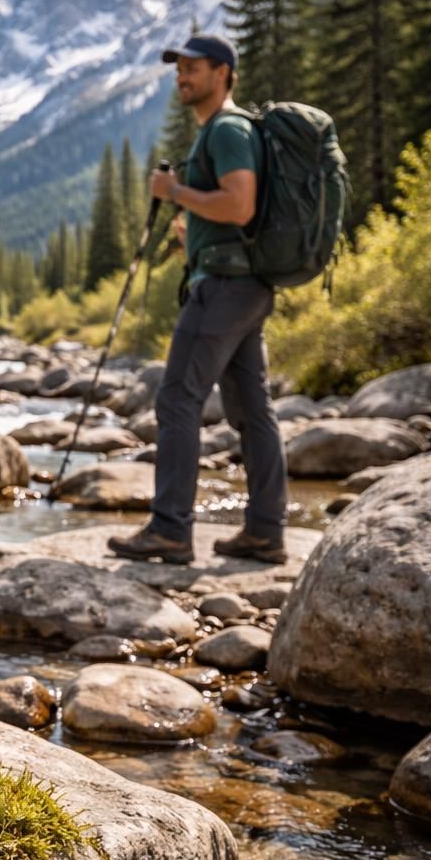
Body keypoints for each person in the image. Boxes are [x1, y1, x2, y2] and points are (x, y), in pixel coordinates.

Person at [107, 33, 288, 566]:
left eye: (194, 68)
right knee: (253, 410)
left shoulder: (228, 130)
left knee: (177, 400)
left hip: (225, 289)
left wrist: (175, 193)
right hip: (243, 285)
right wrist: (196, 234)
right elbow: (236, 217)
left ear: (224, 73)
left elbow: (239, 204)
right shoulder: (229, 131)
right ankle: (265, 531)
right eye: (178, 69)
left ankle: (169, 530)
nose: (182, 77)